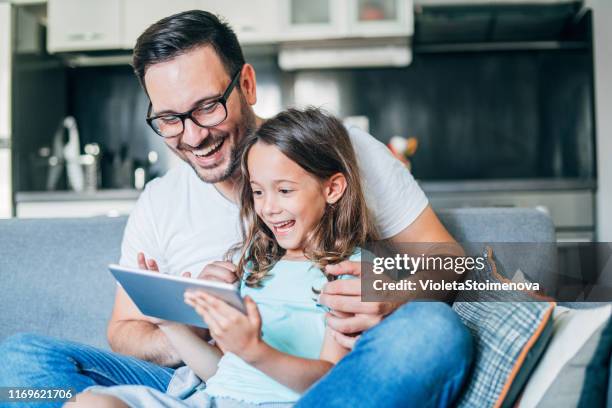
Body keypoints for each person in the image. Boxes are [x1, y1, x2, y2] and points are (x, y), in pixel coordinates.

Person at [0, 10, 472, 408]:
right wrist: (203, 326)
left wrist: (394, 293)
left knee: (432, 331)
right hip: (202, 383)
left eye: (207, 107)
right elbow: (124, 330)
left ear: (246, 83)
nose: (192, 135)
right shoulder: (163, 200)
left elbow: (451, 264)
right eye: (169, 119)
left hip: (314, 387)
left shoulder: (343, 152)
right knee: (22, 365)